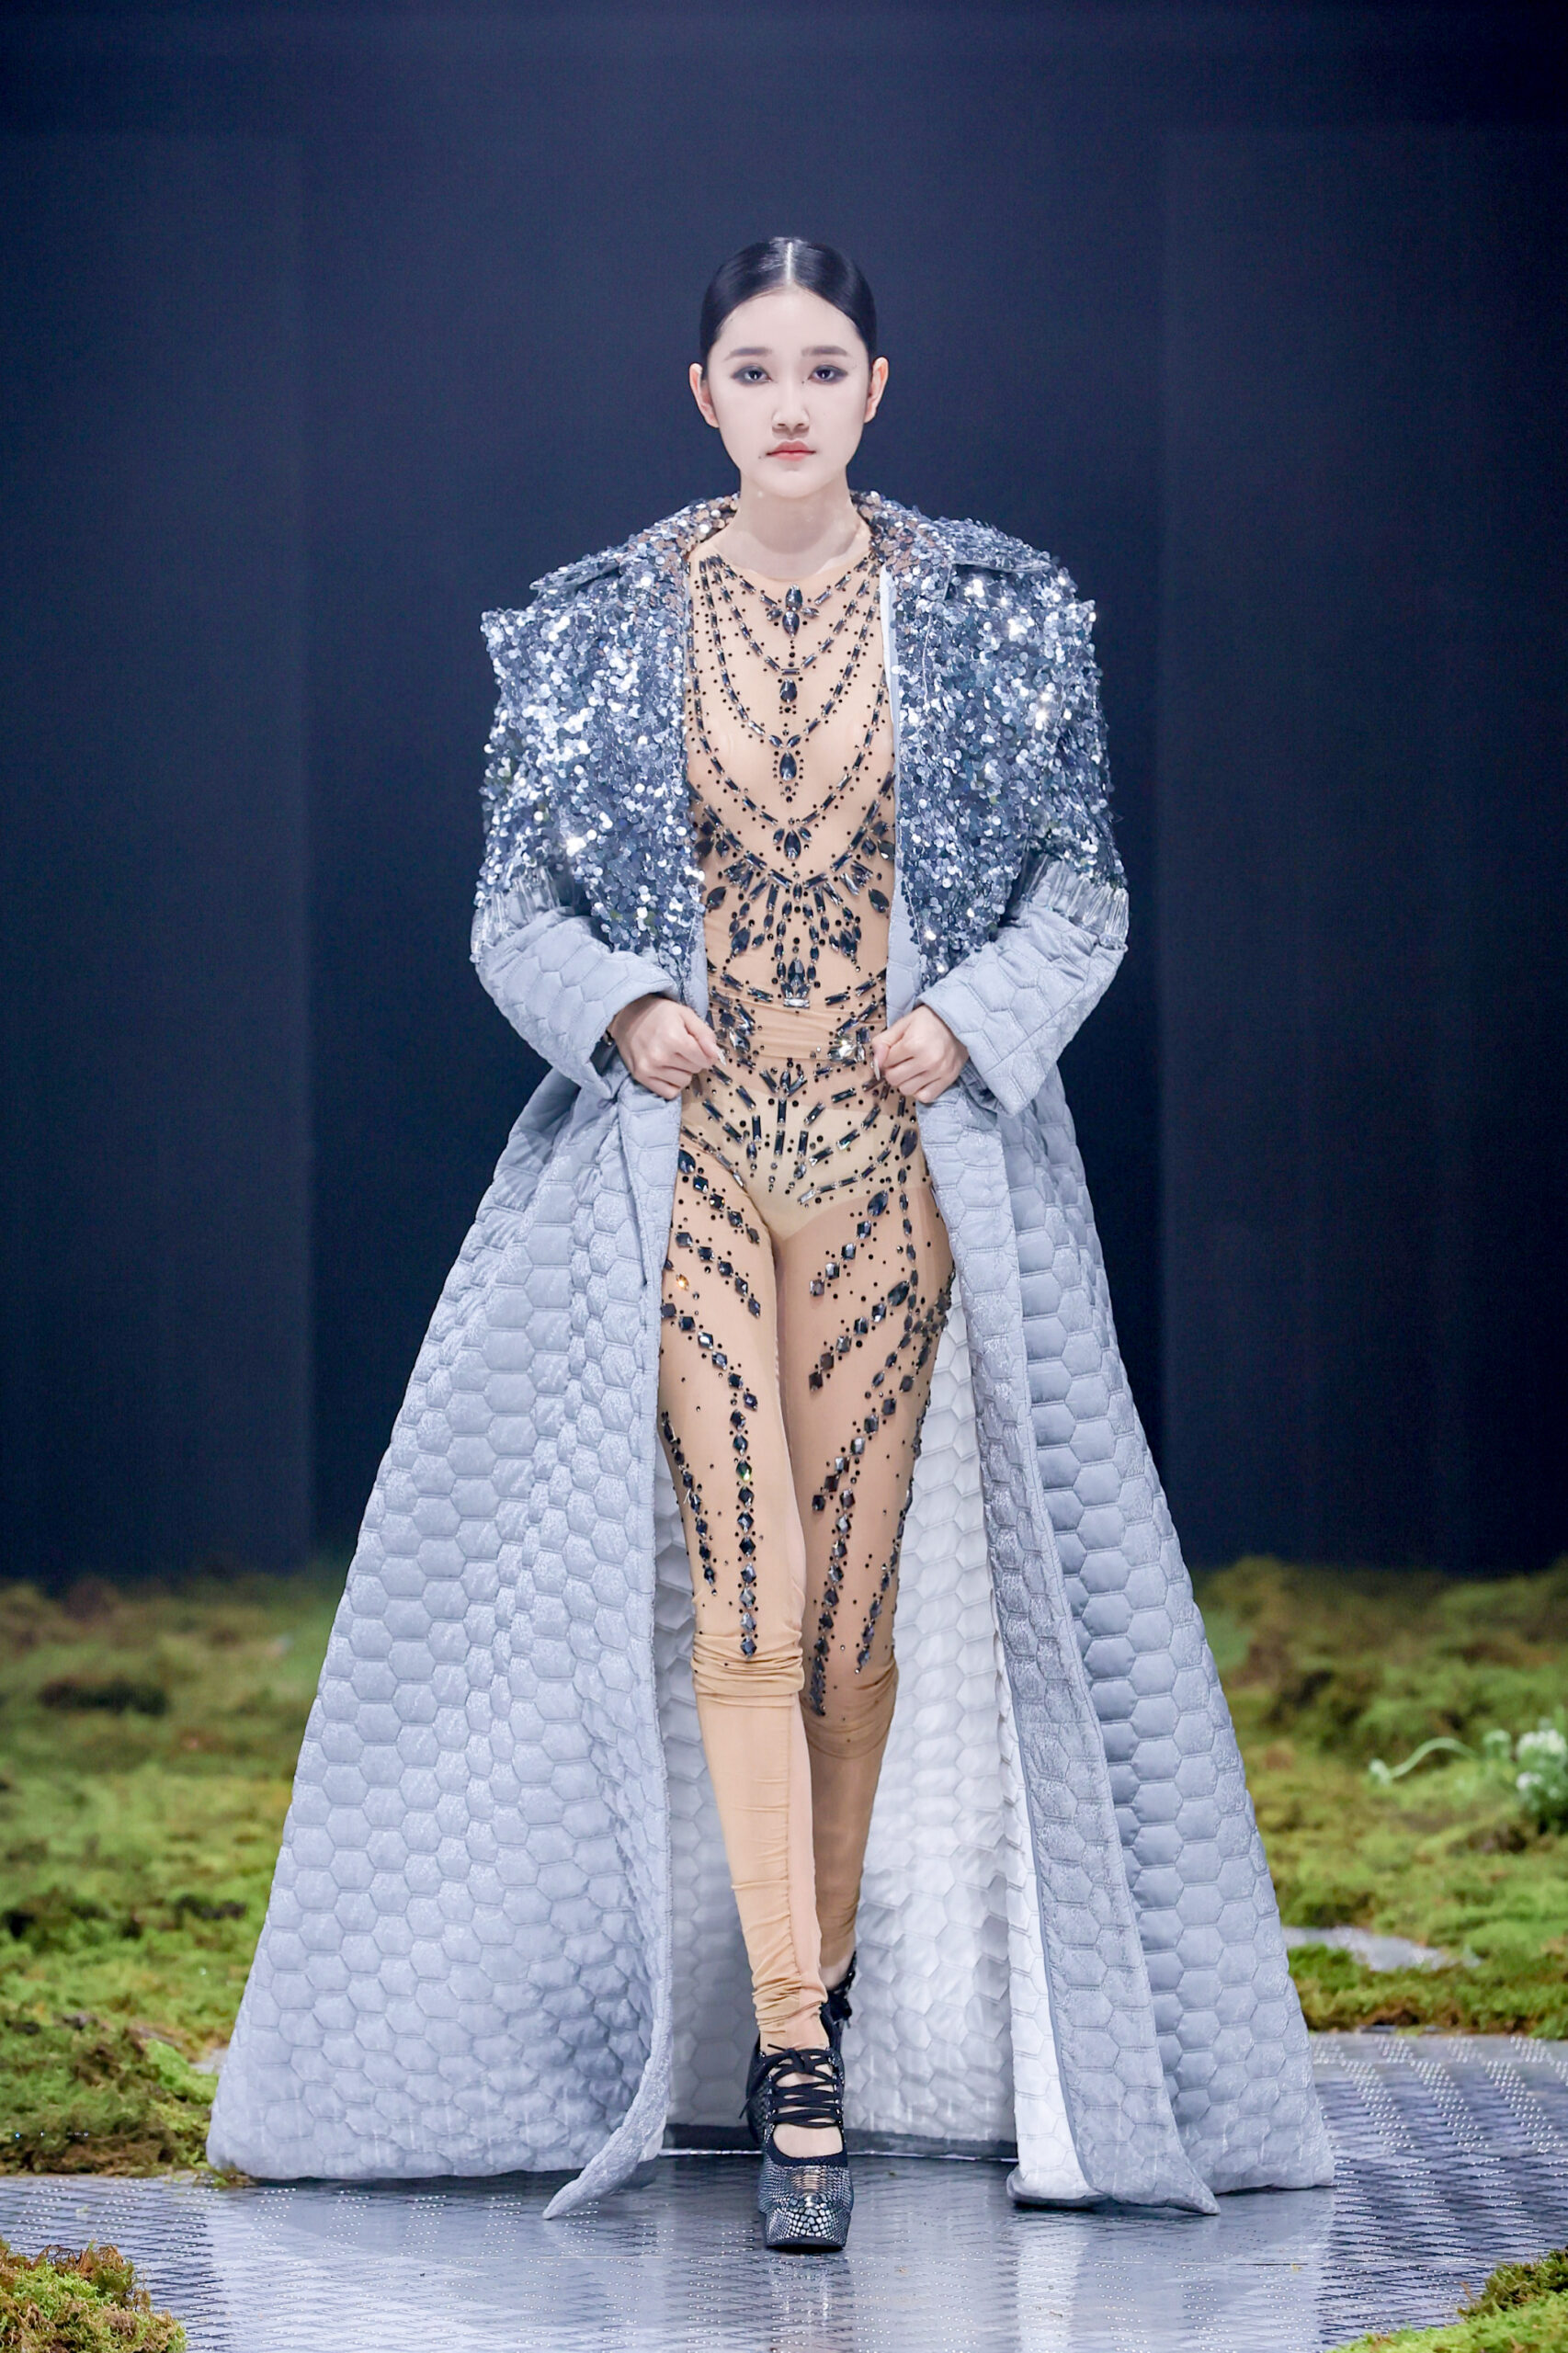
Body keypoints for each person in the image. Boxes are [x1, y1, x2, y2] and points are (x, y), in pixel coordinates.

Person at [209, 239, 1333, 2254]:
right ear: (702, 393)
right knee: (747, 1582)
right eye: (755, 366)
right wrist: (624, 1006)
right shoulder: (587, 628)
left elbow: (1080, 890)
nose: (790, 399)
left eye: (825, 365)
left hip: (902, 1160)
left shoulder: (1000, 613)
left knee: (848, 1621)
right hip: (693, 1160)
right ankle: (795, 2053)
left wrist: (969, 1021)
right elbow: (513, 907)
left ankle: (814, 2009)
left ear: (876, 390)